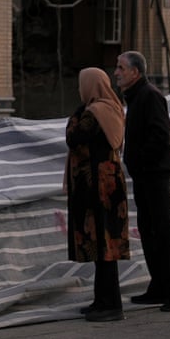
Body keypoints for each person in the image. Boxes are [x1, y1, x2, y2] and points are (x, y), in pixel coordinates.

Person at [114, 50, 170, 312]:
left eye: (121, 68)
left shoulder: (150, 96)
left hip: (154, 175)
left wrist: (138, 160)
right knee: (149, 231)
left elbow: (160, 138)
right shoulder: (136, 98)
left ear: (135, 72)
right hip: (144, 175)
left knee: (162, 232)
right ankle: (160, 286)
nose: (116, 72)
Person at [64, 67, 130, 322]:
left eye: (83, 85)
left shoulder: (94, 113)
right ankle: (101, 301)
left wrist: (78, 111)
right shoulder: (110, 107)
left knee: (105, 249)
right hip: (107, 187)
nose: (80, 90)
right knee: (103, 249)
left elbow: (73, 136)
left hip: (98, 190)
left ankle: (111, 305)